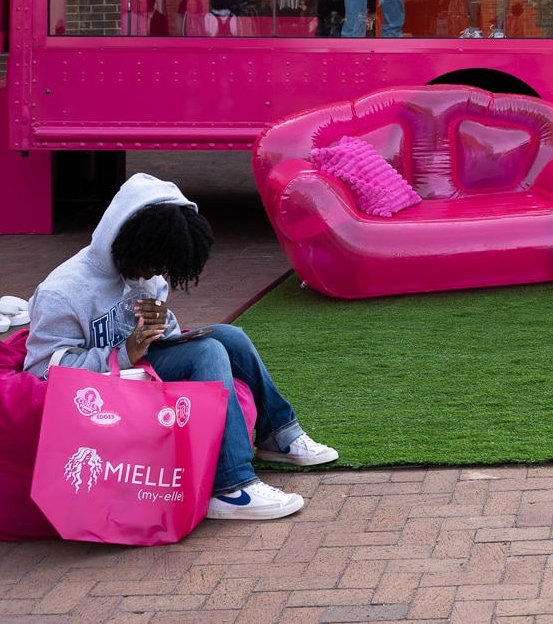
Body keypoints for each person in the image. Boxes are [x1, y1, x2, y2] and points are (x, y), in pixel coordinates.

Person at [23, 174, 336, 521]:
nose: (155, 272)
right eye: (151, 262)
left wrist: (164, 324)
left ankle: (278, 434)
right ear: (126, 239)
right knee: (208, 352)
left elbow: (159, 340)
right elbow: (41, 372)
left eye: (162, 266)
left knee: (228, 337)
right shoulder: (62, 291)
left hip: (136, 371)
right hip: (100, 390)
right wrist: (124, 352)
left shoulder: (148, 276)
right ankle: (230, 487)